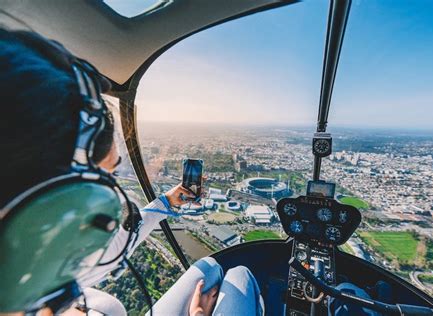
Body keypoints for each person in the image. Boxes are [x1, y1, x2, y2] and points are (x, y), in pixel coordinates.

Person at [0, 29, 263, 316]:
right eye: (93, 197)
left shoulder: (30, 269)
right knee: (240, 278)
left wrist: (165, 204)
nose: (108, 215)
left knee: (209, 270)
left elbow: (113, 245)